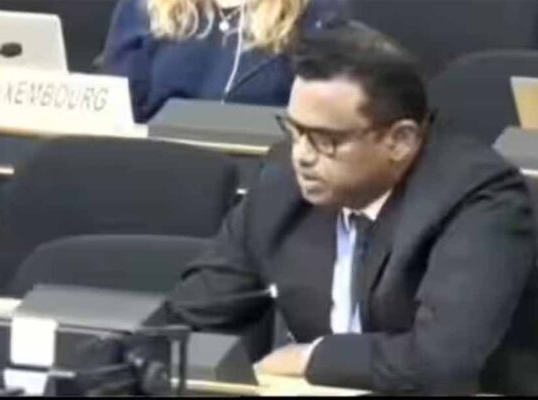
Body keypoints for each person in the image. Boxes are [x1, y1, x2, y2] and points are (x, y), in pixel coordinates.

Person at [160, 21, 538, 395]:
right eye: (294, 131)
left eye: (324, 139)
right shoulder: (281, 183)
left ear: (400, 140)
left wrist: (311, 357)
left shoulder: (478, 196)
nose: (301, 156)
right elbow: (187, 318)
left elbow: (440, 363)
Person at [99, 0, 349, 122]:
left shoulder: (314, 12)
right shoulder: (144, 7)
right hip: (157, 167)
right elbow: (114, 111)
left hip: (262, 176)